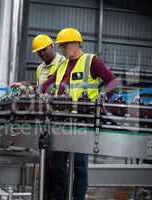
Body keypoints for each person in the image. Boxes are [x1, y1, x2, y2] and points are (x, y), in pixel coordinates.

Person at [41, 27, 118, 200]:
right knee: (57, 164)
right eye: (60, 46)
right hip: (61, 121)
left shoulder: (91, 61)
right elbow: (47, 84)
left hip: (82, 122)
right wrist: (28, 88)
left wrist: (101, 99)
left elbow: (113, 82)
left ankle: (78, 197)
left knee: (79, 166)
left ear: (76, 43)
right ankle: (60, 196)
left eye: (64, 46)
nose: (61, 50)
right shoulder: (62, 65)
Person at [11, 34, 67, 200]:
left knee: (59, 164)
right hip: (44, 119)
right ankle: (46, 195)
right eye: (38, 52)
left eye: (43, 50)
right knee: (46, 163)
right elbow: (41, 88)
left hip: (61, 118)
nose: (42, 54)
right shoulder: (39, 69)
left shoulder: (63, 63)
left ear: (52, 46)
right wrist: (25, 87)